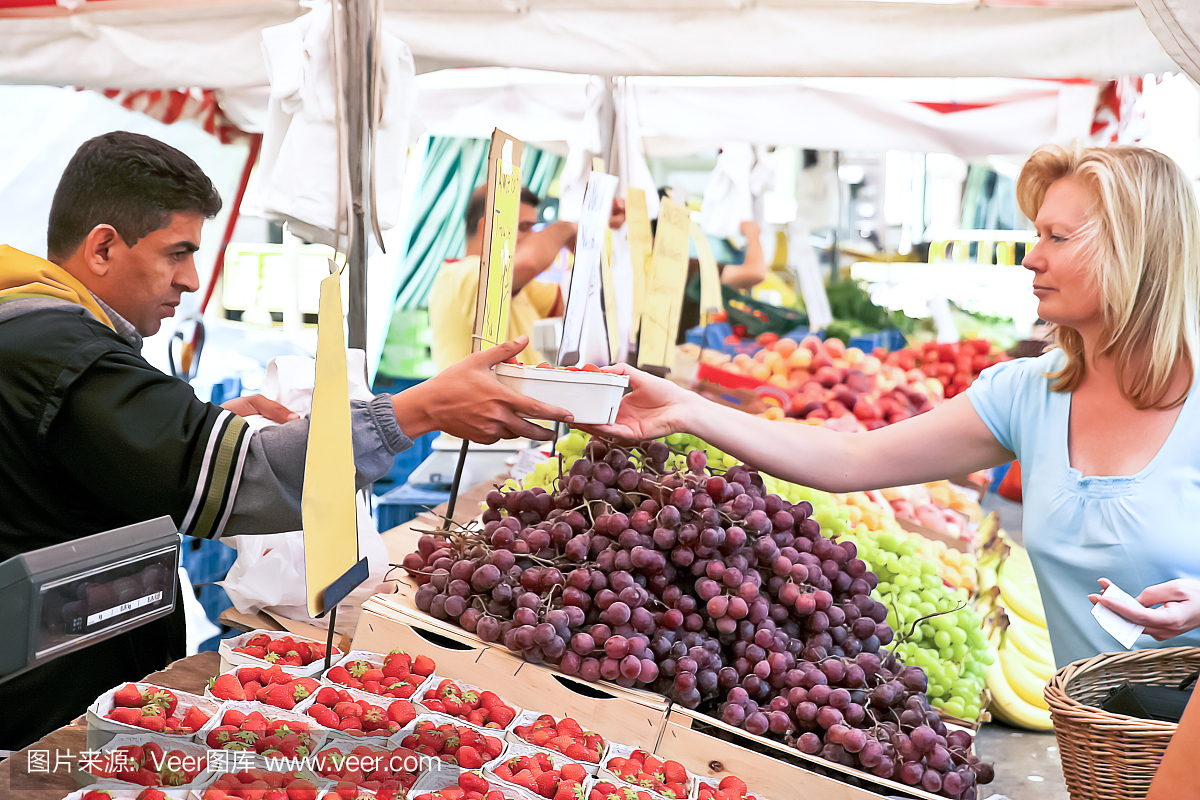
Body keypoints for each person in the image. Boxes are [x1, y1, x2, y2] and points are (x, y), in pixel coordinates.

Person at [0, 131, 571, 750]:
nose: (192, 279)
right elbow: (243, 478)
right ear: (104, 246)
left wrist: (196, 426)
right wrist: (415, 410)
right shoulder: (63, 350)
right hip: (41, 710)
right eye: (178, 253)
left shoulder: (48, 336)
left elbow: (84, 465)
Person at [592, 143, 1200, 669]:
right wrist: (687, 409)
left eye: (1058, 238)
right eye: (1036, 234)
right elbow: (852, 458)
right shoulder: (1028, 394)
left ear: (1136, 251)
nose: (1030, 258)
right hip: (1107, 750)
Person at [428, 185, 625, 372]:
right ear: (487, 229)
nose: (532, 238)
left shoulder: (518, 286)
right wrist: (569, 229)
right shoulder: (459, 275)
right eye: (524, 228)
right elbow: (530, 261)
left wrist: (601, 227)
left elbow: (579, 302)